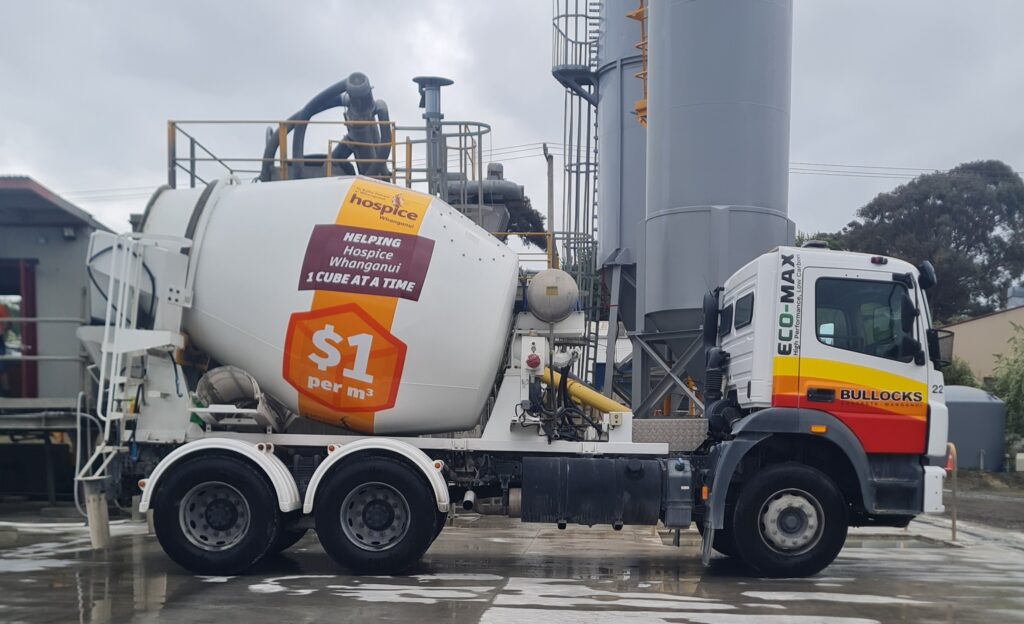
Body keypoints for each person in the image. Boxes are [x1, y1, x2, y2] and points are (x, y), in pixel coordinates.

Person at [0, 304, 9, 396]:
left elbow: (7, 324)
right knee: (2, 369)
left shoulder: (1, 307)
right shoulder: (2, 307)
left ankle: (5, 394)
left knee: (2, 368)